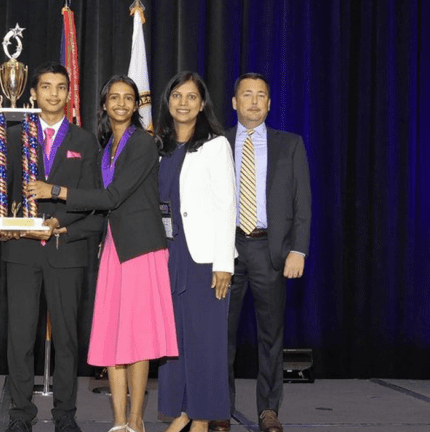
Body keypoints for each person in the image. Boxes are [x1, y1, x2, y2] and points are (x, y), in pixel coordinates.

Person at [28, 75, 178, 432]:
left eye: (128, 98)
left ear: (136, 105)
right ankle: (118, 421)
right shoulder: (107, 144)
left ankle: (137, 421)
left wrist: (57, 190)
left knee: (138, 338)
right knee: (114, 333)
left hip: (140, 248)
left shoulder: (143, 143)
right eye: (114, 98)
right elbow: (101, 209)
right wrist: (66, 226)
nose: (122, 104)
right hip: (113, 247)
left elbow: (112, 198)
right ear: (104, 105)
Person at [1, 62, 100, 432]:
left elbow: (92, 197)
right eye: (46, 87)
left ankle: (65, 415)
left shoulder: (84, 140)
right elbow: (3, 191)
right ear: (34, 93)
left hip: (66, 248)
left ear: (69, 94)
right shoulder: (14, 137)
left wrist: (63, 222)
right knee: (20, 337)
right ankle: (20, 414)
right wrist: (5, 223)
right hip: (21, 250)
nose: (53, 94)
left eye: (61, 87)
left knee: (67, 339)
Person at [210, 73, 311, 432]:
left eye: (261, 96)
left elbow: (302, 204)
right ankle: (220, 407)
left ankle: (269, 410)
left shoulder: (290, 144)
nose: (254, 101)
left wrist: (298, 250)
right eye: (246, 95)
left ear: (269, 104)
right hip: (227, 250)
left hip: (272, 250)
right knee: (222, 335)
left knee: (271, 336)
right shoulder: (216, 143)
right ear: (234, 102)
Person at [154, 72, 236, 432]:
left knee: (206, 342)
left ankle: (200, 419)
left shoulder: (215, 145)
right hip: (167, 255)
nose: (183, 102)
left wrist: (223, 264)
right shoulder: (160, 147)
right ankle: (180, 411)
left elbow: (226, 206)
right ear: (168, 102)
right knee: (174, 341)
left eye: (191, 96)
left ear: (202, 104)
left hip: (203, 259)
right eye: (177, 95)